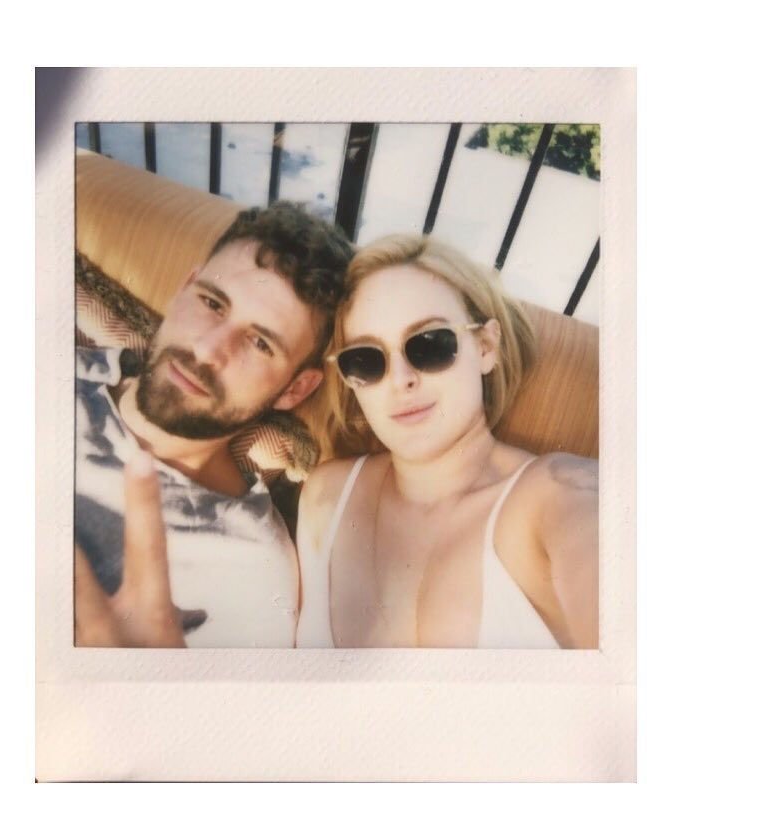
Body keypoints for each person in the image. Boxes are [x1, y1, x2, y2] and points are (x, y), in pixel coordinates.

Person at [295, 234, 598, 649]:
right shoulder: (325, 496)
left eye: (430, 345)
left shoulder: (556, 496)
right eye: (366, 359)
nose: (401, 379)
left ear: (486, 347)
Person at [74, 202, 353, 648]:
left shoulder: (250, 573)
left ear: (295, 389)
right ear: (184, 289)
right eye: (211, 303)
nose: (207, 349)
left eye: (260, 342)